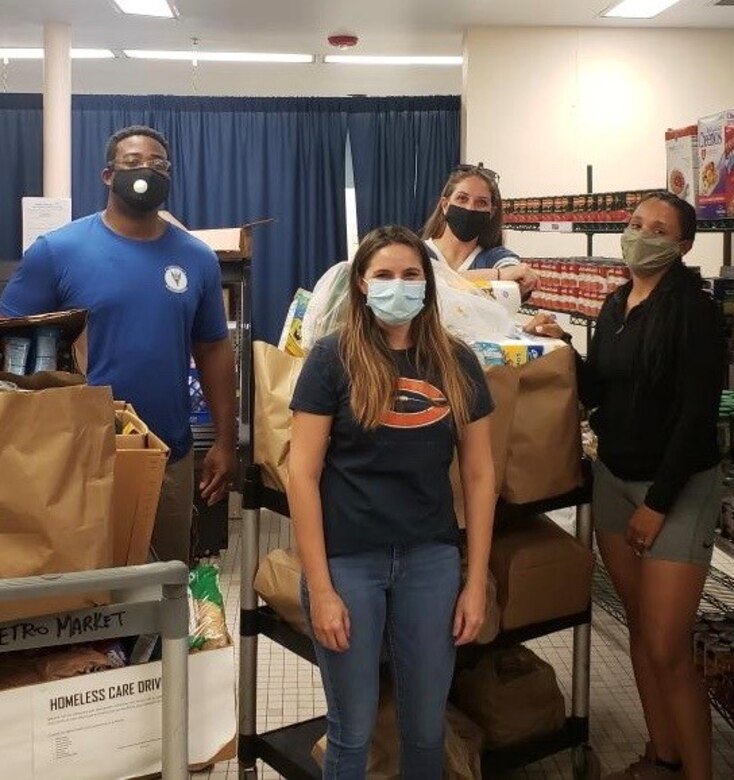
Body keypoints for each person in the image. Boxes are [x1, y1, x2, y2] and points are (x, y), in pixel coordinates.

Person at [527, 192, 724, 780]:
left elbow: (696, 418)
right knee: (640, 630)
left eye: (658, 229)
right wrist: (560, 343)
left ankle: (699, 771)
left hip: (677, 488)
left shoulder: (696, 311)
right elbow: (600, 392)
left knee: (667, 645)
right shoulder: (616, 305)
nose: (641, 234)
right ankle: (660, 755)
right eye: (636, 223)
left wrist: (658, 505)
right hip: (614, 478)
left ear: (683, 245)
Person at [288, 225, 495, 779]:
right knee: (351, 732)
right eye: (383, 275)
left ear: (429, 286)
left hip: (430, 560)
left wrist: (474, 582)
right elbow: (301, 475)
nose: (397, 286)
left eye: (410, 276)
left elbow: (479, 475)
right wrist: (323, 589)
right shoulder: (332, 359)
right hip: (349, 562)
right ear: (360, 284)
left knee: (426, 730)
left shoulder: (457, 362)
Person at [0, 125, 236, 565]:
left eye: (158, 164)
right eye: (133, 162)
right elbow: (11, 340)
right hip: (77, 457)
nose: (146, 169)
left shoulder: (196, 257)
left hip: (169, 454)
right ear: (108, 175)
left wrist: (224, 440)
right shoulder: (57, 251)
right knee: (84, 591)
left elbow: (213, 349)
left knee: (163, 587)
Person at [422, 163, 538, 296]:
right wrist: (499, 275)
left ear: (491, 212)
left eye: (481, 202)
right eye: (462, 198)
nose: (470, 208)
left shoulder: (496, 257)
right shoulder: (416, 252)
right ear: (445, 205)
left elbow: (515, 282)